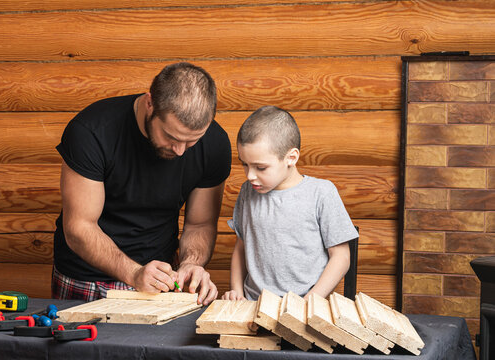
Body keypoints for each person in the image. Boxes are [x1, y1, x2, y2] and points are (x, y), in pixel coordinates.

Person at [53, 62, 231, 305]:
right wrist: (134, 273)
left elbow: (200, 224)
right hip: (88, 278)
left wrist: (191, 264)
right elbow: (80, 228)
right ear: (150, 104)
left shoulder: (215, 143)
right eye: (171, 137)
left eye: (192, 142)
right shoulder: (91, 131)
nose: (180, 151)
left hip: (161, 280)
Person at [222, 106, 358, 301]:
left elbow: (341, 257)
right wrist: (236, 291)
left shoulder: (321, 193)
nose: (250, 175)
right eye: (244, 164)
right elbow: (241, 246)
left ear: (291, 158)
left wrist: (311, 300)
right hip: (253, 304)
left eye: (260, 167)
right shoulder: (247, 191)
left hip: (305, 306)